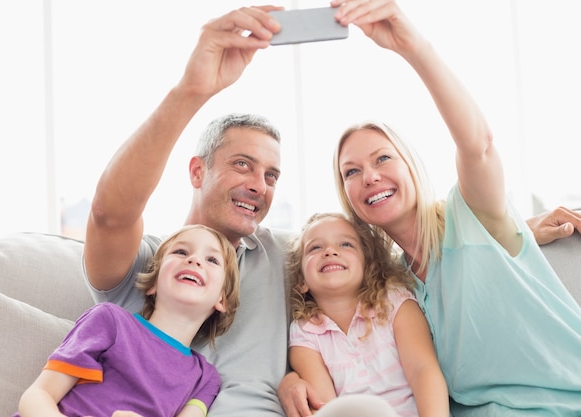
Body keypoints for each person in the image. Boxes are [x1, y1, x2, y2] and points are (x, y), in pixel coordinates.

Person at [82, 3, 578, 417]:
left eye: (272, 175)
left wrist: (509, 232)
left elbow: (365, 245)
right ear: (197, 172)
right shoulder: (155, 264)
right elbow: (110, 215)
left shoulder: (279, 252)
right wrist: (190, 91)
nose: (259, 186)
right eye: (242, 165)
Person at [280, 1, 581, 416]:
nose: (369, 176)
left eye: (383, 159)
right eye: (352, 171)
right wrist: (290, 377)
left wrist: (412, 46)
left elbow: (479, 145)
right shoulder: (395, 284)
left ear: (412, 166)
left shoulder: (470, 217)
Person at [15, 224, 240, 417]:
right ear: (153, 282)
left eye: (212, 259)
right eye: (181, 252)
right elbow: (36, 397)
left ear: (222, 299)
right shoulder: (110, 321)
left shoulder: (206, 379)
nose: (194, 260)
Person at [286, 212, 449, 416]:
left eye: (346, 244)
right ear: (302, 280)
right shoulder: (304, 332)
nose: (330, 251)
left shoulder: (394, 302)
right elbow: (326, 407)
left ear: (367, 266)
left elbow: (423, 371)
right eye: (315, 247)